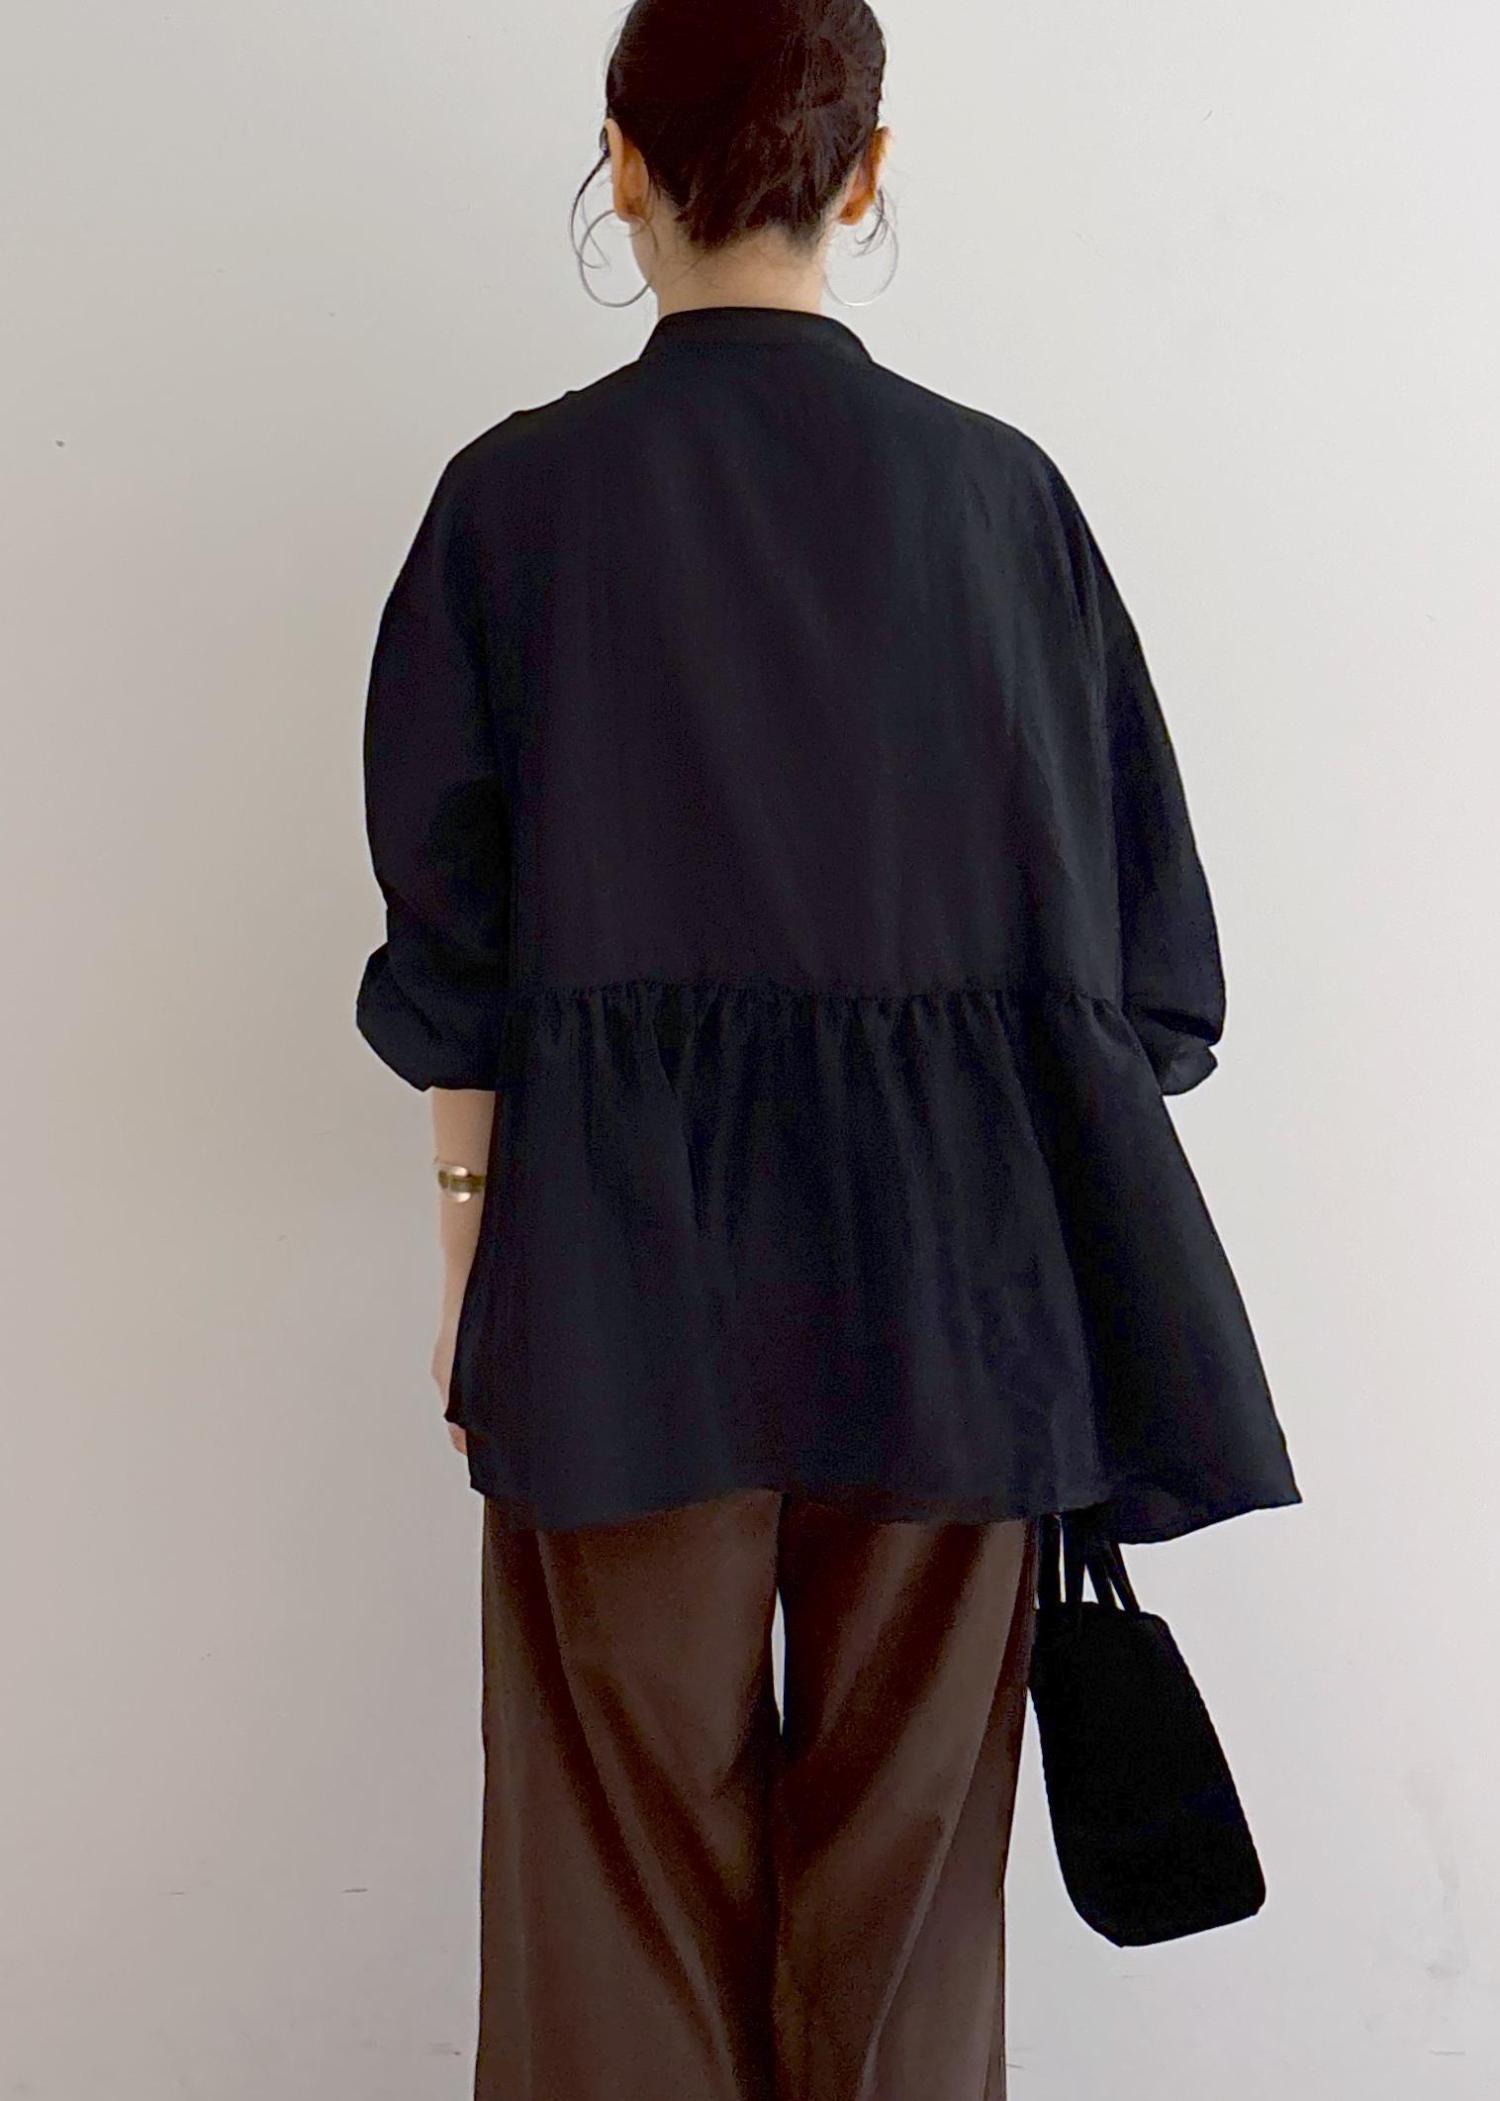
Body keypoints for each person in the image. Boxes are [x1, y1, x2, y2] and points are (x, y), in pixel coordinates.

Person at [354, 2, 1302, 2094]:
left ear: (622, 159)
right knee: (906, 1921)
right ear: (867, 173)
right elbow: (1152, 974)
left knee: (611, 1897)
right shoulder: (1001, 505)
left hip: (613, 1278)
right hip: (963, 1293)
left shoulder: (514, 506)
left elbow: (457, 947)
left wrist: (472, 1262)